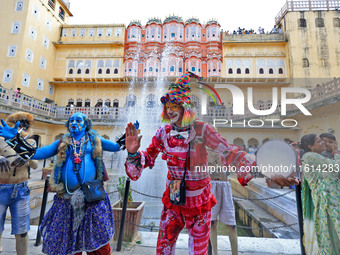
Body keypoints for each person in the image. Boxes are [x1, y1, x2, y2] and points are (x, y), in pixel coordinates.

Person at [124, 72, 255, 254]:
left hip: (199, 204)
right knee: (163, 249)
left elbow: (227, 151)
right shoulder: (163, 133)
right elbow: (148, 157)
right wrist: (132, 153)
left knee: (199, 250)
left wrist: (252, 164)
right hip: (173, 201)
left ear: (185, 108)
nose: (170, 110)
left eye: (175, 105)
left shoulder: (202, 130)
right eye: (168, 106)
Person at [0, 112, 121, 255]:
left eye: (78, 120)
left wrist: (127, 141)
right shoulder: (61, 142)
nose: (74, 122)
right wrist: (15, 139)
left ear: (85, 124)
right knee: (68, 242)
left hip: (91, 198)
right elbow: (36, 154)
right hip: (66, 200)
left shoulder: (94, 139)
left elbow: (116, 147)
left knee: (97, 242)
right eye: (71, 120)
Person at [0, 112, 38, 255]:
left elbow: (35, 165)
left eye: (25, 123)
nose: (23, 126)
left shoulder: (31, 142)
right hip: (1, 187)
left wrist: (27, 156)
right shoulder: (1, 140)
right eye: (19, 123)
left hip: (21, 189)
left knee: (22, 231)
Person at [300, 134, 340, 254]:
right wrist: (335, 151)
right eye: (320, 141)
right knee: (331, 235)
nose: (323, 143)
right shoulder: (310, 156)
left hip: (330, 202)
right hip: (327, 203)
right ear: (310, 146)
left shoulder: (317, 157)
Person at [208, 149, 238, 255]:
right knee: (212, 223)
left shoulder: (225, 149)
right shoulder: (203, 150)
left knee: (232, 225)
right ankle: (215, 253)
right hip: (211, 186)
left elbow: (232, 168)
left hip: (225, 186)